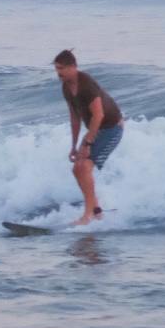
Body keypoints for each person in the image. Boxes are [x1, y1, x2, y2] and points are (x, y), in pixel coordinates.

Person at [54, 49, 122, 226]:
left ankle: (88, 215)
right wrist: (75, 145)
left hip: (112, 128)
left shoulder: (86, 85)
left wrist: (89, 141)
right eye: (56, 69)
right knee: (77, 168)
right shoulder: (67, 87)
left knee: (84, 167)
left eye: (61, 68)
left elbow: (98, 115)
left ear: (73, 67)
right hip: (97, 129)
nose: (59, 73)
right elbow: (75, 117)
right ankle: (96, 211)